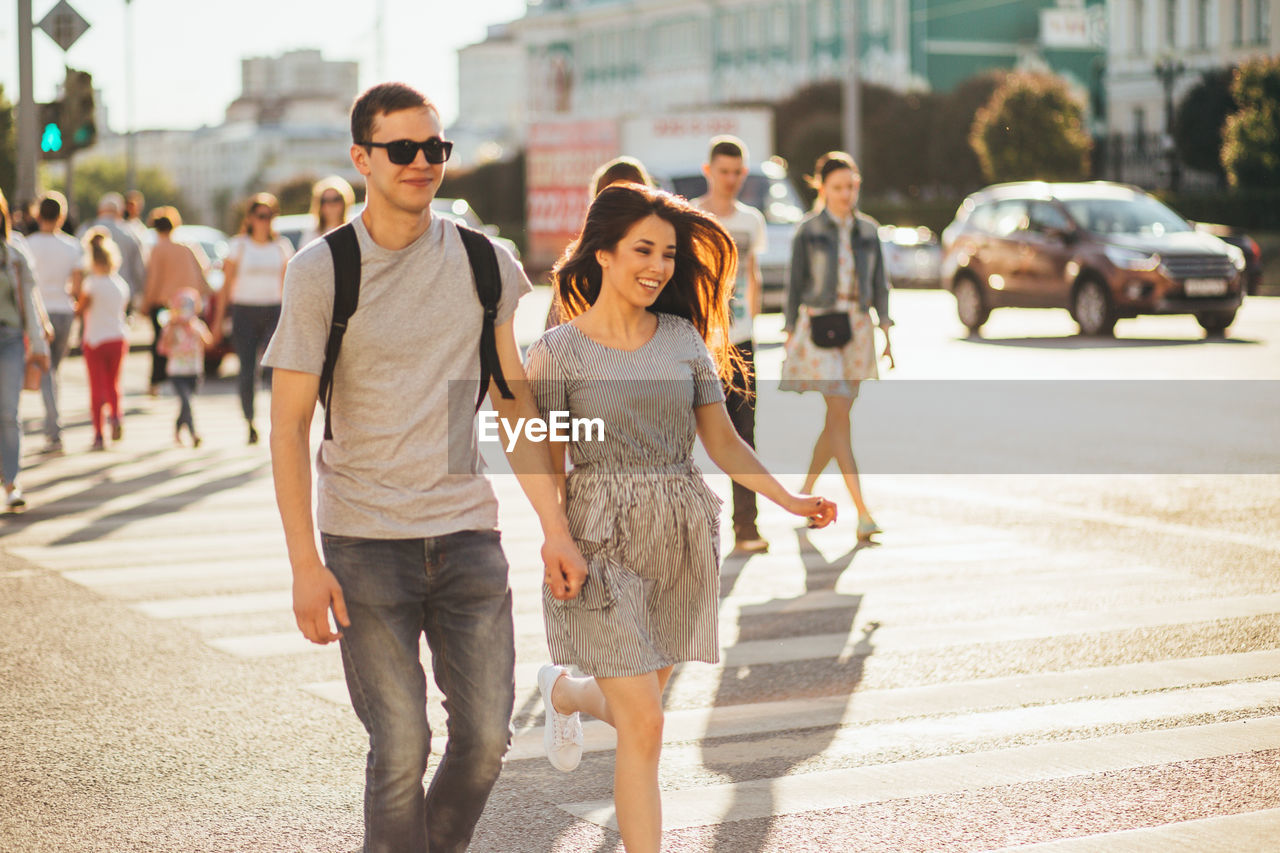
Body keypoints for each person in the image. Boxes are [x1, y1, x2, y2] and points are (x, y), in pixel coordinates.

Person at [263, 82, 587, 853]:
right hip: (363, 542)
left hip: (467, 536)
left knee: (484, 742)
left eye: (434, 148)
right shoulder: (321, 270)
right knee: (400, 745)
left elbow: (512, 404)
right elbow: (287, 425)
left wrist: (554, 529)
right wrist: (305, 563)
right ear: (361, 159)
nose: (421, 162)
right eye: (402, 149)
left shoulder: (486, 263)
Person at [526, 182, 837, 853]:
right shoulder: (556, 352)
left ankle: (568, 695)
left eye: (668, 253)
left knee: (642, 713)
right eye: (644, 249)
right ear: (602, 252)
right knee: (646, 724)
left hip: (682, 535)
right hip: (598, 536)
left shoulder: (683, 338)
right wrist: (554, 539)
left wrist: (790, 500)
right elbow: (547, 461)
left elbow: (723, 442)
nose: (660, 265)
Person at [781, 152, 892, 539]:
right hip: (822, 329)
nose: (846, 194)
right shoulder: (809, 229)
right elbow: (795, 284)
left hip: (859, 329)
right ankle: (862, 512)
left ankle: (806, 493)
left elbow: (880, 285)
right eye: (838, 187)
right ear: (822, 188)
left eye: (851, 186)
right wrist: (790, 330)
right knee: (840, 420)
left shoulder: (868, 230)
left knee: (836, 421)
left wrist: (887, 333)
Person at [691, 135, 770, 554]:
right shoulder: (691, 216)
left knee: (744, 434)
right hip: (697, 343)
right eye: (724, 171)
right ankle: (687, 529)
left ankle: (747, 529)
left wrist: (752, 323)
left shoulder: (751, 221)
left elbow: (753, 273)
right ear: (709, 172)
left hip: (741, 341)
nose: (731, 179)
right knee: (681, 434)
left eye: (738, 172)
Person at [214, 193, 294, 444]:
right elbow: (226, 286)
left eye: (270, 216)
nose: (265, 221)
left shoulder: (281, 247)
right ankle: (249, 420)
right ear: (250, 218)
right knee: (247, 370)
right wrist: (217, 322)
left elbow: (289, 284)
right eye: (260, 216)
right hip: (244, 310)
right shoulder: (238, 246)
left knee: (273, 369)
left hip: (274, 310)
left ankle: (277, 420)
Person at [544, 156, 655, 332]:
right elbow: (554, 333)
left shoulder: (661, 256)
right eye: (614, 198)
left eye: (631, 197)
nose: (623, 207)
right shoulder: (578, 262)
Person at [0, 189, 52, 510]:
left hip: (10, 339)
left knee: (8, 413)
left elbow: (31, 302)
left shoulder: (15, 251)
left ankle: (11, 483)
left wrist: (39, 344)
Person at [24, 192, 84, 453]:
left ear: (38, 214)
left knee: (46, 373)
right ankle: (53, 425)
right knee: (53, 371)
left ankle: (54, 429)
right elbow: (78, 286)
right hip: (65, 311)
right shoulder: (72, 246)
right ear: (61, 216)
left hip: (39, 313)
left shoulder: (28, 244)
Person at [141, 206, 210, 396]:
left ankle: (158, 381)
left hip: (166, 304)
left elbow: (153, 279)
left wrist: (146, 303)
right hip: (189, 303)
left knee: (162, 342)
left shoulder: (158, 249)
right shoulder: (188, 246)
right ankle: (188, 376)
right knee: (189, 340)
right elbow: (204, 272)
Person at [76, 229, 131, 451]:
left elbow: (81, 308)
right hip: (118, 337)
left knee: (96, 388)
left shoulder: (91, 284)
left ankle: (99, 433)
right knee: (113, 383)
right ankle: (116, 416)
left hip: (95, 339)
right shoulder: (120, 284)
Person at [158, 288, 212, 447]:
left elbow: (209, 342)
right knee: (186, 402)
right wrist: (173, 326)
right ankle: (193, 433)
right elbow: (162, 348)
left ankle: (177, 428)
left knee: (185, 404)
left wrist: (196, 331)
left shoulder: (197, 326)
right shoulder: (171, 328)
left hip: (194, 371)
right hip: (177, 372)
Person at [77, 192, 146, 309]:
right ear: (120, 212)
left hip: (90, 294)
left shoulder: (86, 230)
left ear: (99, 210)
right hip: (123, 293)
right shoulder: (131, 234)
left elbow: (77, 263)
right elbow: (139, 270)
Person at [299, 176, 356, 247]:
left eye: (336, 199)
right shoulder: (311, 234)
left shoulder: (354, 230)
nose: (331, 205)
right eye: (325, 201)